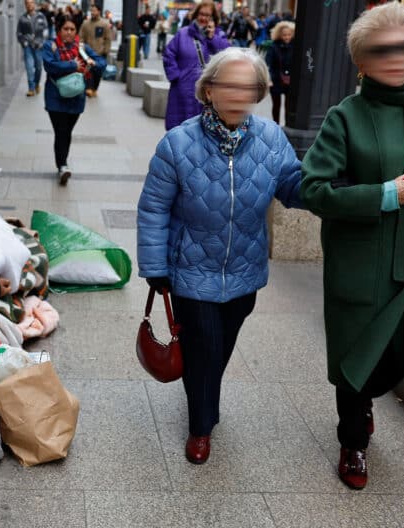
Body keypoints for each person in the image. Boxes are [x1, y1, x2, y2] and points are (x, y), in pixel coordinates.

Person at [300, 2, 404, 491]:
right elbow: (315, 190)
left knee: (401, 355)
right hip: (363, 262)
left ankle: (363, 406)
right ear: (361, 61)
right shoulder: (346, 116)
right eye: (380, 50)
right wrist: (391, 193)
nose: (395, 57)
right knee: (355, 357)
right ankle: (353, 443)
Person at [138, 47, 304, 466]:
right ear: (207, 89)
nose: (237, 93)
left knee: (219, 347)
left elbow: (294, 188)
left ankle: (202, 389)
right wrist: (156, 268)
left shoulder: (271, 139)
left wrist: (332, 177)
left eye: (247, 86)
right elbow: (154, 208)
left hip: (245, 271)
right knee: (205, 346)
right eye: (227, 84)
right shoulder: (178, 143)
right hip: (191, 269)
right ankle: (200, 427)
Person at [42, 13, 106, 185]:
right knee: (61, 131)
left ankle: (62, 163)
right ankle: (62, 165)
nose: (69, 32)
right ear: (59, 30)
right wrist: (72, 65)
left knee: (67, 132)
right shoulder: (51, 46)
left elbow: (102, 63)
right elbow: (49, 66)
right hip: (55, 98)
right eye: (65, 29)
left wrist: (93, 63)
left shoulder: (82, 48)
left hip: (76, 98)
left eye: (72, 29)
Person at [163, 0, 230, 130]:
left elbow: (227, 56)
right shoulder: (183, 33)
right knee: (180, 128)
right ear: (196, 14)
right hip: (183, 89)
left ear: (213, 18)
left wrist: (212, 38)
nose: (203, 18)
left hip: (209, 93)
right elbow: (168, 54)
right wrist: (176, 76)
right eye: (201, 14)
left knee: (204, 132)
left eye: (207, 15)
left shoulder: (219, 35)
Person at [17, 0, 49, 97]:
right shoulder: (22, 18)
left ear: (34, 4)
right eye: (27, 3)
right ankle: (31, 88)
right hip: (28, 47)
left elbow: (46, 30)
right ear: (25, 5)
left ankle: (36, 83)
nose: (29, 5)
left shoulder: (41, 16)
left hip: (38, 46)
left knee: (38, 67)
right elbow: (19, 33)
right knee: (29, 67)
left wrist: (42, 42)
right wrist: (24, 43)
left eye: (31, 3)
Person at [79, 4, 112, 96]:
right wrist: (81, 48)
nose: (92, 12)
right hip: (88, 53)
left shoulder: (104, 24)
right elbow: (81, 37)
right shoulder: (85, 23)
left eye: (94, 10)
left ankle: (94, 89)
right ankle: (89, 88)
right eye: (91, 10)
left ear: (99, 11)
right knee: (89, 71)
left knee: (97, 73)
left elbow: (108, 38)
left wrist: (106, 50)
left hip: (100, 53)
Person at [265, 21, 294, 124]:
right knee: (276, 105)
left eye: (289, 35)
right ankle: (276, 125)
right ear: (279, 35)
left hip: (291, 80)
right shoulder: (274, 46)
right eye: (284, 35)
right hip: (276, 79)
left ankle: (287, 125)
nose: (287, 37)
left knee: (289, 106)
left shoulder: (296, 46)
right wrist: (268, 78)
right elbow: (268, 63)